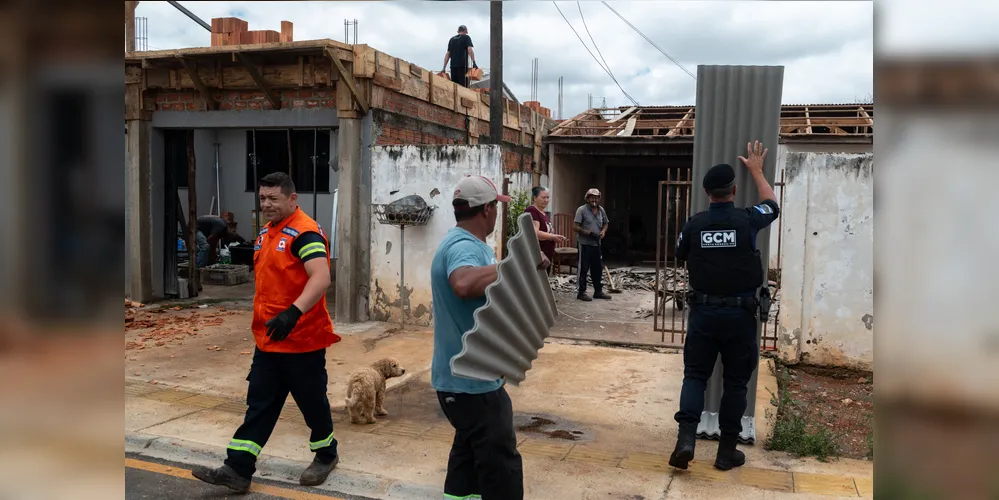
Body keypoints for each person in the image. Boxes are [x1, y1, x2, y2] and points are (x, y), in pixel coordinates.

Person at [192, 172, 342, 492]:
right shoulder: (267, 232)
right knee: (260, 403)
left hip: (302, 339)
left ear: (292, 199)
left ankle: (326, 454)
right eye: (262, 198)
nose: (267, 204)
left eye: (274, 198)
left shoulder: (305, 233)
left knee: (312, 403)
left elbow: (321, 277)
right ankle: (238, 468)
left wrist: (293, 313)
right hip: (269, 339)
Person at [430, 175, 550, 500]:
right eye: (496, 207)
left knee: (468, 458)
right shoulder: (463, 246)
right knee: (500, 468)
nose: (498, 213)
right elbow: (463, 283)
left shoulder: (462, 243)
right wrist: (517, 262)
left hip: (463, 380)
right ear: (486, 210)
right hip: (472, 384)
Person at [668, 141, 780, 472]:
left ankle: (686, 441)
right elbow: (772, 206)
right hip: (740, 316)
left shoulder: (694, 224)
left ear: (706, 193)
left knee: (695, 376)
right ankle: (726, 452)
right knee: (735, 383)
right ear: (734, 190)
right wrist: (757, 172)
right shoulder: (748, 220)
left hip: (703, 315)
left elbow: (680, 253)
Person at [573, 188, 610, 301]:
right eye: (592, 198)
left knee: (597, 268)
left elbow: (606, 223)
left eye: (596, 198)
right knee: (583, 268)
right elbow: (575, 227)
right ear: (587, 199)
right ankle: (581, 292)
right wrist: (588, 233)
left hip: (596, 244)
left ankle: (598, 291)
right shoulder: (582, 210)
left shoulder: (601, 210)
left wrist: (603, 231)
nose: (594, 200)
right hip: (584, 243)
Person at [524, 186, 565, 274]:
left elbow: (546, 232)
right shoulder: (532, 211)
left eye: (548, 197)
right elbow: (534, 232)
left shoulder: (543, 213)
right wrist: (553, 236)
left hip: (546, 257)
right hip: (539, 257)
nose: (546, 200)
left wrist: (554, 237)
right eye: (543, 197)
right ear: (535, 198)